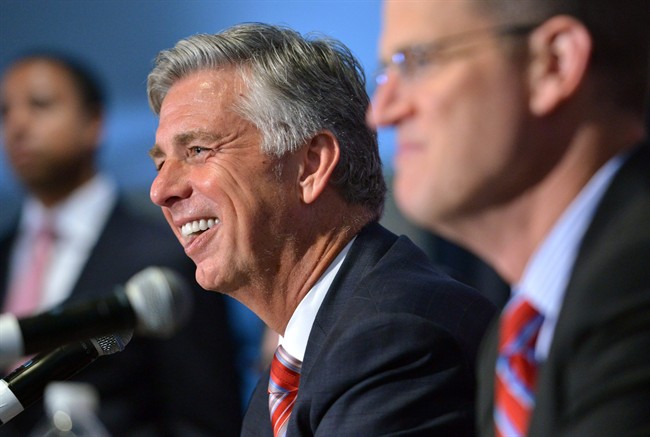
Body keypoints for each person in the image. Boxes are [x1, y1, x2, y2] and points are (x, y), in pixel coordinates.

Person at [146, 23, 496, 436]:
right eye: (159, 163)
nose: (160, 190)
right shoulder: (297, 365)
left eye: (199, 151)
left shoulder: (394, 336)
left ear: (310, 166)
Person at [367, 1, 650, 436]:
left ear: (552, 64)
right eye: (388, 70)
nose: (381, 112)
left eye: (418, 61)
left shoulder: (632, 283)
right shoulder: (515, 337)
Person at [0, 53, 243, 436]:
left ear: (93, 122)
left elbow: (205, 418)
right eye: (5, 111)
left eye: (40, 104)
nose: (17, 124)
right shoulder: (5, 252)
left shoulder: (168, 255)